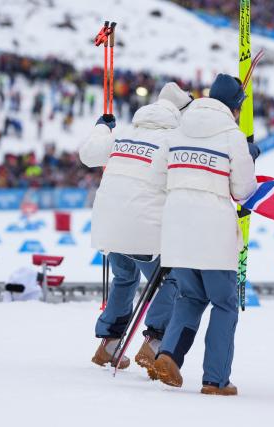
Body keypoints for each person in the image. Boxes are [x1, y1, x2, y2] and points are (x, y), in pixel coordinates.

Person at [151, 74, 257, 396]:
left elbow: (158, 177)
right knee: (223, 304)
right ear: (235, 107)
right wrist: (250, 157)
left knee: (189, 297)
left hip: (177, 232)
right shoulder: (232, 135)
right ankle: (216, 380)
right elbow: (243, 190)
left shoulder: (177, 130)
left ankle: (168, 355)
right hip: (214, 235)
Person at [79, 82, 193, 370]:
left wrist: (102, 129)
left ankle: (110, 343)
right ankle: (154, 340)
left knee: (125, 278)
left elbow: (88, 155)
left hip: (108, 225)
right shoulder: (175, 139)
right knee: (173, 280)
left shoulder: (126, 132)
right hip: (143, 229)